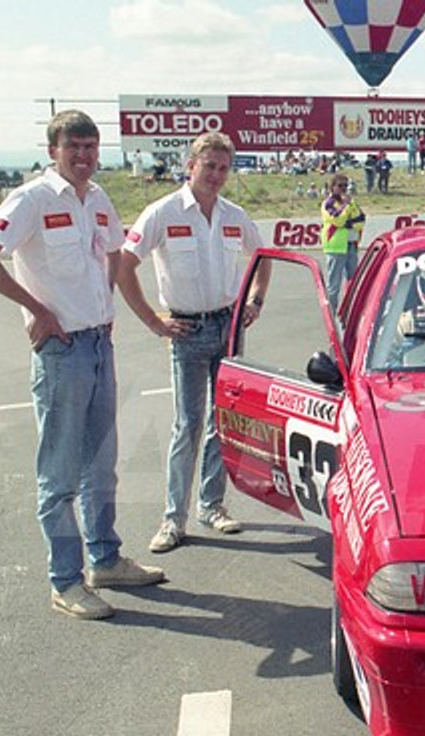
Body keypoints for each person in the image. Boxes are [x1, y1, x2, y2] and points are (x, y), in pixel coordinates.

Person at [0, 110, 165, 619]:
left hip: (98, 344)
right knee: (60, 475)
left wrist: (106, 306)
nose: (83, 156)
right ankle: (66, 581)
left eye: (91, 148)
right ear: (53, 150)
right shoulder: (32, 199)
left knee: (101, 466)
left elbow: (116, 252)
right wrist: (37, 308)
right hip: (62, 350)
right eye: (73, 147)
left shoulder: (97, 198)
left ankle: (105, 559)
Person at [116, 131, 270, 555]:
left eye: (223, 168)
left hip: (228, 327)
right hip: (185, 331)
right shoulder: (162, 212)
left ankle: (212, 506)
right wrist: (153, 321)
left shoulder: (233, 215)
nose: (217, 175)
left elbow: (262, 259)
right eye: (209, 166)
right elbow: (124, 266)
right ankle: (173, 519)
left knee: (224, 423)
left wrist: (254, 301)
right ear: (190, 166)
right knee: (188, 425)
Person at [319, 173, 365, 310]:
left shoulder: (351, 203)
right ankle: (331, 313)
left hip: (351, 245)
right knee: (334, 285)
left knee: (353, 282)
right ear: (332, 187)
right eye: (340, 186)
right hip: (335, 247)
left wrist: (348, 223)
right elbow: (338, 220)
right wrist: (345, 207)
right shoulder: (328, 203)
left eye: (346, 185)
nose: (343, 188)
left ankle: (350, 312)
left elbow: (361, 220)